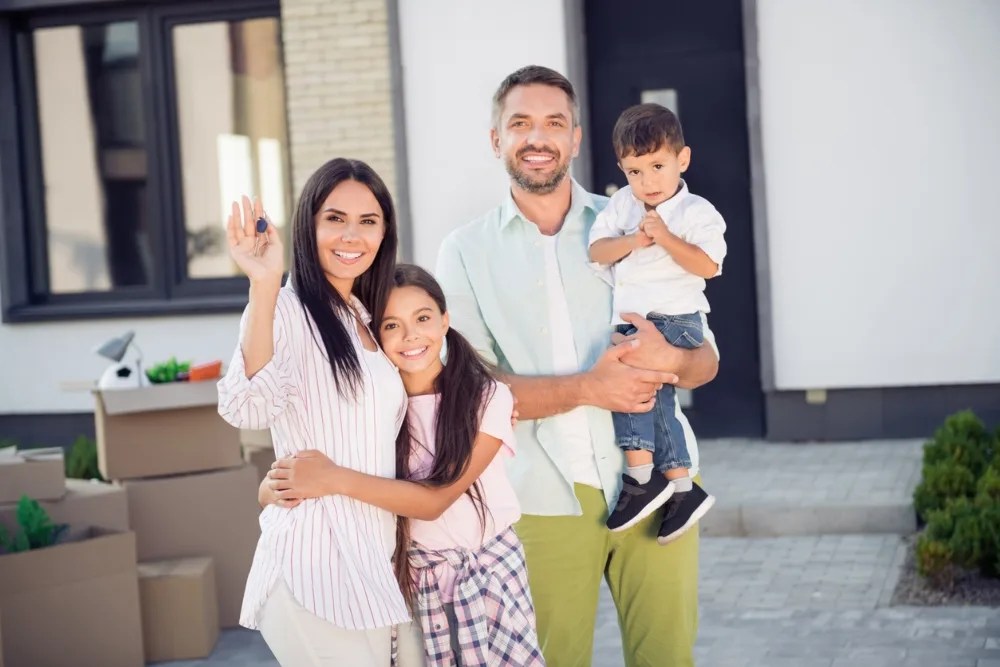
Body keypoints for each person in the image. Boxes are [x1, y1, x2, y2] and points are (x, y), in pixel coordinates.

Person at [434, 65, 719, 667]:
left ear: (576, 138)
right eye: (520, 124)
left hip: (660, 486)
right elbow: (472, 391)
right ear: (496, 139)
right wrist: (591, 388)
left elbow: (705, 363)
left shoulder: (633, 219)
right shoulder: (464, 251)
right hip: (542, 495)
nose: (538, 138)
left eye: (554, 123)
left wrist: (672, 358)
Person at [264, 264, 544, 667]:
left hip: (489, 575)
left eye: (424, 318)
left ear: (445, 321)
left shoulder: (488, 398)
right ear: (373, 335)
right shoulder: (372, 411)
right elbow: (289, 479)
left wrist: (332, 478)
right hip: (414, 581)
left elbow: (434, 502)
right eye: (391, 325)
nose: (411, 335)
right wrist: (276, 487)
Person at [217, 158, 413, 666]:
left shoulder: (364, 316)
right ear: (309, 225)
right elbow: (247, 405)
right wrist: (263, 282)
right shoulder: (285, 308)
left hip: (371, 561)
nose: (352, 235)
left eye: (368, 221)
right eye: (335, 218)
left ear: (385, 232)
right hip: (314, 565)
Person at [588, 102, 725, 542]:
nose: (646, 182)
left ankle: (641, 475)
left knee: (628, 383)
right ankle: (682, 486)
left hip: (676, 319)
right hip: (641, 319)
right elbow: (597, 252)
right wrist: (634, 239)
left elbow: (707, 266)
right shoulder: (622, 205)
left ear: (682, 160)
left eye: (657, 167)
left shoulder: (696, 213)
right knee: (657, 399)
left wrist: (664, 237)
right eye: (634, 171)